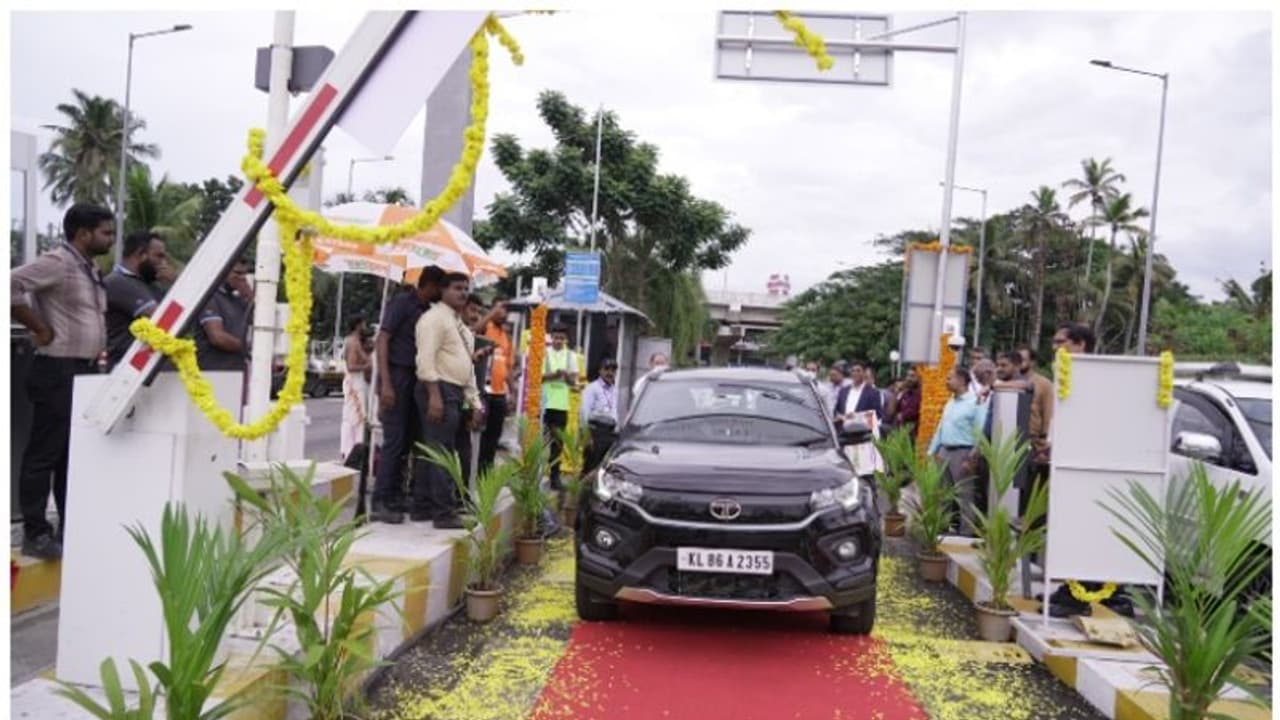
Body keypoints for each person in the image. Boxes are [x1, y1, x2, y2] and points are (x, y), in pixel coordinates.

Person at [10, 203, 116, 559]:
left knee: (71, 456)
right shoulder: (58, 263)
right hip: (57, 369)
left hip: (82, 370)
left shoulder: (88, 269)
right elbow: (9, 283)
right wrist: (38, 326)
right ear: (83, 233)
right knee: (45, 453)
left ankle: (72, 527)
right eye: (105, 232)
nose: (111, 239)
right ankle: (35, 532)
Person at [370, 267, 444, 524]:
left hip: (417, 379)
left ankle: (396, 495)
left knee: (411, 440)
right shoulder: (402, 302)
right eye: (439, 287)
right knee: (394, 440)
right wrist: (386, 384)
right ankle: (380, 500)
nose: (441, 292)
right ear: (429, 285)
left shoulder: (428, 311)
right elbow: (383, 340)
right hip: (397, 375)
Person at [413, 272, 483, 528]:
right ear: (443, 290)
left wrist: (475, 403)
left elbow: (467, 368)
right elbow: (425, 360)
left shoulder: (459, 325)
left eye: (466, 288)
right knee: (441, 453)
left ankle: (422, 508)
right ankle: (443, 513)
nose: (463, 293)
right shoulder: (434, 319)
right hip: (438, 388)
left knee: (434, 451)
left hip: (454, 391)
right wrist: (434, 395)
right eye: (457, 288)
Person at [927, 365, 988, 536]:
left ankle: (965, 534)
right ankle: (942, 531)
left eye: (949, 378)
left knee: (964, 496)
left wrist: (972, 458)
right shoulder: (950, 401)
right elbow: (941, 427)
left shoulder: (975, 403)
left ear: (961, 381)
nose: (946, 381)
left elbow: (980, 431)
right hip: (944, 452)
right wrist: (933, 451)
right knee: (943, 495)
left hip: (963, 453)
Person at [104, 231, 170, 367]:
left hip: (148, 367)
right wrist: (179, 282)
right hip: (127, 369)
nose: (164, 263)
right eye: (159, 256)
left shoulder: (152, 286)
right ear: (140, 255)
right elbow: (162, 319)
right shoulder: (118, 282)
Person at [475, 296, 514, 475]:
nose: (503, 313)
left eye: (505, 310)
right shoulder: (485, 328)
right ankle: (472, 470)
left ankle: (485, 471)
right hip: (482, 391)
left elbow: (508, 367)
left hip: (499, 394)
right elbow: (475, 330)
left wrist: (512, 392)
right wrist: (491, 312)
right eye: (500, 309)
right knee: (477, 433)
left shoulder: (505, 337)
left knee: (493, 435)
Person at [194, 258, 253, 372]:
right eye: (237, 273)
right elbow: (217, 337)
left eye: (245, 274)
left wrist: (250, 297)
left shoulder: (238, 299)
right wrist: (248, 348)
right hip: (213, 370)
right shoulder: (210, 297)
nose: (242, 278)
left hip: (236, 371)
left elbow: (259, 324)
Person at [543, 324, 579, 490]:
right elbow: (539, 376)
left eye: (561, 338)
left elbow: (574, 381)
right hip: (544, 404)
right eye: (555, 337)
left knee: (557, 444)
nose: (558, 341)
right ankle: (534, 475)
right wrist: (556, 374)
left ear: (565, 339)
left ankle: (554, 477)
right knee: (538, 441)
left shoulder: (571, 356)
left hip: (561, 405)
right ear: (551, 337)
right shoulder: (544, 353)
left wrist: (566, 378)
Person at [340, 316, 373, 462]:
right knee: (356, 418)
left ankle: (352, 451)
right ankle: (351, 452)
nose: (365, 326)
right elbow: (351, 367)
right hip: (355, 383)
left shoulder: (354, 341)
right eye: (364, 323)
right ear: (358, 325)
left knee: (356, 418)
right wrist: (366, 366)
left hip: (356, 382)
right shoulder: (353, 343)